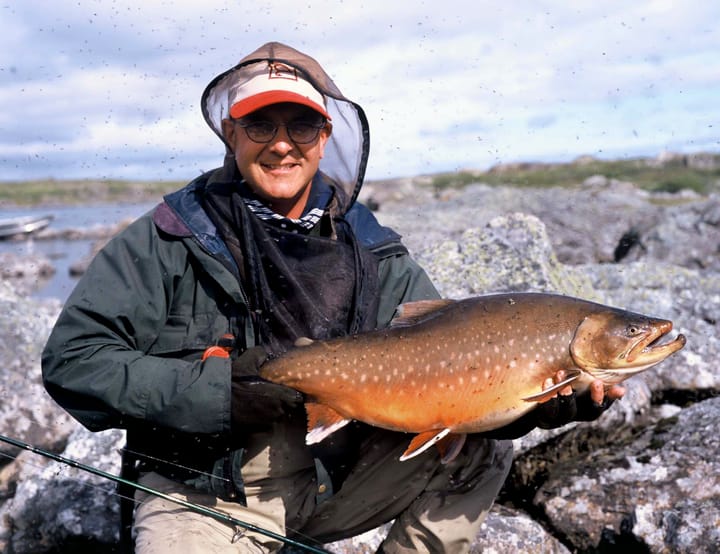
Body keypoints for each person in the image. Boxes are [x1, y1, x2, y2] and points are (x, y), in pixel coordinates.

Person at [41, 42, 623, 553]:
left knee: (480, 452)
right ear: (231, 134)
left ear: (324, 137)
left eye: (301, 126)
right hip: (205, 493)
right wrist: (217, 394)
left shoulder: (370, 247)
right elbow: (73, 361)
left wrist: (536, 404)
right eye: (260, 125)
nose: (281, 145)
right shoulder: (166, 237)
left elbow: (451, 367)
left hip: (333, 478)